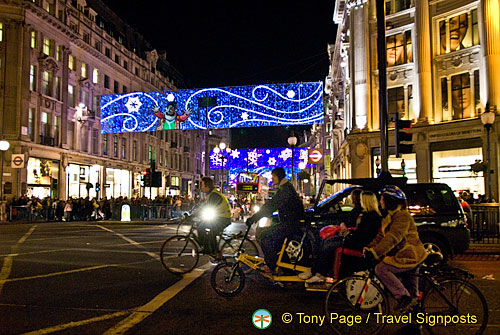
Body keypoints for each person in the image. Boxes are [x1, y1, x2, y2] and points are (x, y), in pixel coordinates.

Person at [364, 185, 428, 311]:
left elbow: (393, 237)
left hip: (410, 256)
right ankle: (414, 326)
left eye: (382, 199)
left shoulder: (402, 216)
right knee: (412, 294)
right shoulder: (390, 217)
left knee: (381, 269)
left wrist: (375, 252)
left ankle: (402, 296)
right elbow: (381, 237)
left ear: (390, 201)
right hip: (405, 255)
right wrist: (369, 248)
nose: (380, 201)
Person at [300, 191, 382, 283]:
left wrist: (349, 234)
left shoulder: (371, 217)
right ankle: (316, 270)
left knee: (329, 245)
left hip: (358, 242)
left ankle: (319, 273)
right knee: (327, 241)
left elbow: (363, 235)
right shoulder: (368, 215)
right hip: (355, 239)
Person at [246, 167, 304, 274]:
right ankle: (285, 269)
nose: (272, 179)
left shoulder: (284, 190)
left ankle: (272, 266)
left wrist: (255, 217)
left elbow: (271, 205)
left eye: (273, 177)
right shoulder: (285, 188)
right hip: (290, 222)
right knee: (275, 239)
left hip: (290, 224)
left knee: (265, 235)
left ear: (278, 176)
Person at [191, 177, 232, 257]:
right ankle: (209, 249)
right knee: (201, 226)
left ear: (207, 186)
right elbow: (201, 207)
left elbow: (207, 208)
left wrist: (194, 216)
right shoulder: (210, 194)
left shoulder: (214, 195)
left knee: (210, 232)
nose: (201, 187)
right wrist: (192, 214)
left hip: (224, 218)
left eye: (202, 185)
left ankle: (214, 252)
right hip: (220, 217)